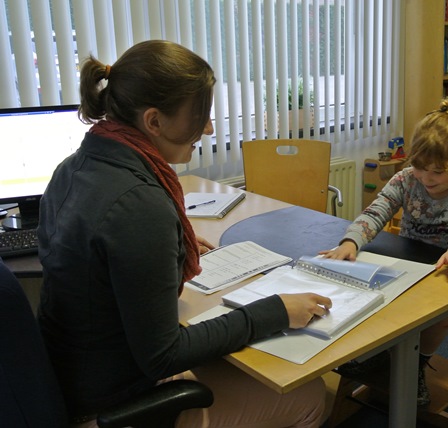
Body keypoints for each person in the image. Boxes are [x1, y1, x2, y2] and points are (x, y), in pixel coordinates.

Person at [37, 40, 332, 428]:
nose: (208, 128)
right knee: (312, 396)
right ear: (154, 121)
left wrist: (168, 248)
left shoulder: (74, 167)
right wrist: (275, 311)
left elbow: (103, 260)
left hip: (75, 377)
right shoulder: (138, 204)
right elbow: (163, 356)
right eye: (199, 116)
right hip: (113, 405)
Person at [320, 97, 448, 407]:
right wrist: (350, 242)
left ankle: (415, 364)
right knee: (371, 298)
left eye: (438, 172)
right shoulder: (405, 179)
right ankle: (380, 355)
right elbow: (376, 212)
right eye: (419, 167)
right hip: (407, 266)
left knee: (437, 317)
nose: (426, 178)